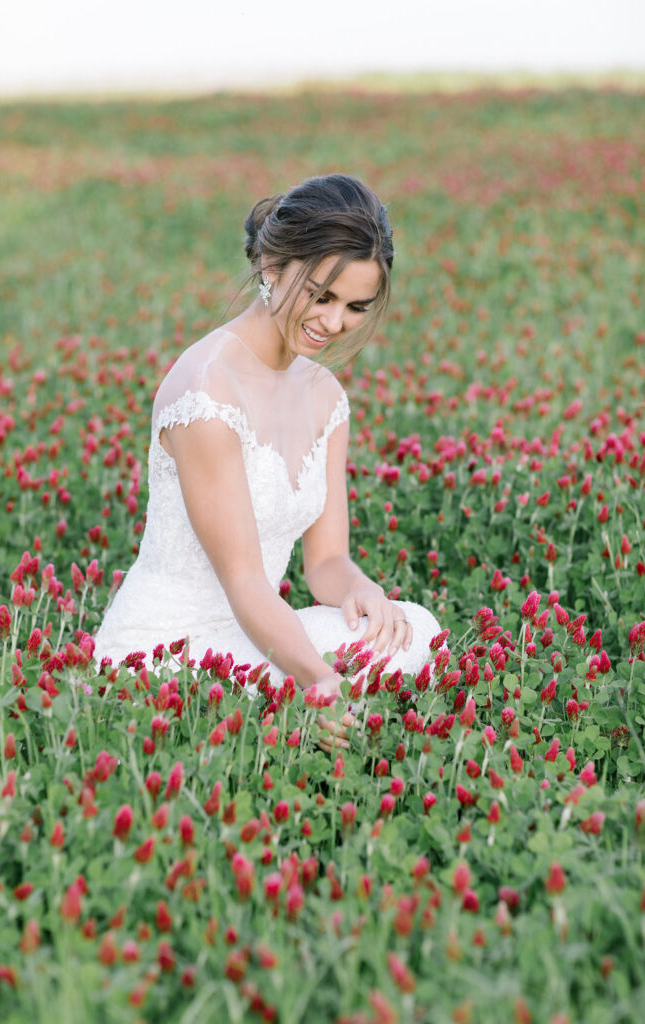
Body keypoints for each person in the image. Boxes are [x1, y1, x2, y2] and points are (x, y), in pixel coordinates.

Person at [93, 174, 442, 749]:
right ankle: (289, 707)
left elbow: (327, 560)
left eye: (356, 306)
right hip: (166, 650)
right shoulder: (208, 390)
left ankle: (297, 703)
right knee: (327, 678)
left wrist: (364, 592)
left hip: (257, 633)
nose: (334, 324)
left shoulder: (325, 395)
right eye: (321, 296)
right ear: (272, 266)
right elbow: (246, 582)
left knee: (413, 629)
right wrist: (318, 677)